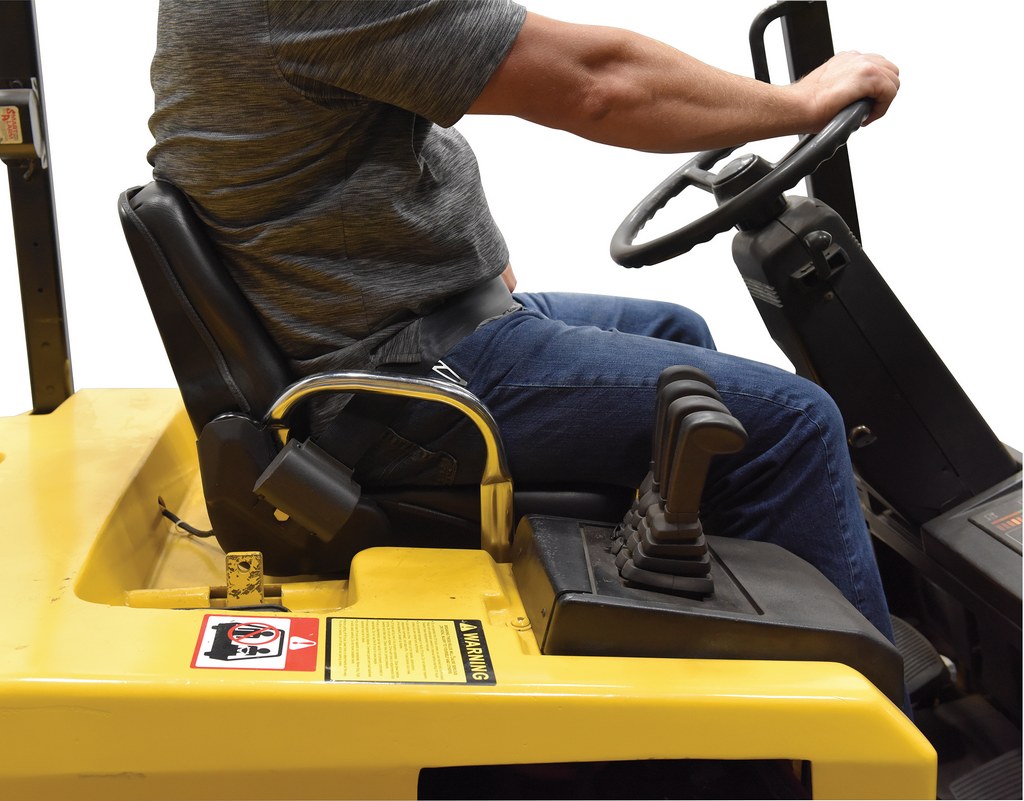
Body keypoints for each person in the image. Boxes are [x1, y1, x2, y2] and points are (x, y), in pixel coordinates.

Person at [146, 1, 901, 642]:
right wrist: (800, 104)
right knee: (795, 426)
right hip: (402, 384)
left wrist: (475, 261)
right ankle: (866, 732)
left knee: (678, 332)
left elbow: (377, 121)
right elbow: (597, 83)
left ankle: (713, 643)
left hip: (408, 331)